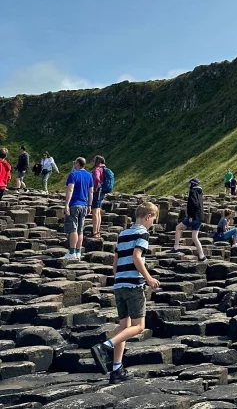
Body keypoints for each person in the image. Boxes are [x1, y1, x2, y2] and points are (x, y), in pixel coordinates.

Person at [90, 202, 160, 384]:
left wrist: (119, 278)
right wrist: (149, 278)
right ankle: (106, 346)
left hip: (119, 284)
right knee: (139, 326)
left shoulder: (123, 234)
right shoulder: (143, 234)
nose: (153, 223)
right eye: (154, 219)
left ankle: (116, 369)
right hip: (133, 285)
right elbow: (137, 257)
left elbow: (116, 261)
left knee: (124, 326)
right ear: (147, 217)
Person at [62, 157, 94, 260]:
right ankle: (78, 251)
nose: (74, 165)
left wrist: (66, 204)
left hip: (74, 204)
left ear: (78, 164)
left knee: (73, 229)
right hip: (84, 205)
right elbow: (91, 192)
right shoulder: (89, 176)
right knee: (80, 229)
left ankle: (72, 252)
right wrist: (89, 205)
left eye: (75, 163)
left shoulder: (73, 174)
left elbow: (70, 189)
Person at [172, 178, 207, 261]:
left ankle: (176, 247)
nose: (189, 185)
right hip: (200, 217)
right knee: (194, 237)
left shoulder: (192, 192)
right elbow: (199, 205)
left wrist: (191, 216)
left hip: (193, 216)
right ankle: (202, 256)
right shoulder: (199, 193)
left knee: (178, 227)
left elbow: (194, 204)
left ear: (192, 184)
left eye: (190, 183)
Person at [90, 156, 107, 238]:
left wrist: (94, 188)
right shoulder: (103, 168)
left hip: (97, 192)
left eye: (93, 160)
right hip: (102, 191)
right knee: (98, 212)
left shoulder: (97, 169)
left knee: (95, 212)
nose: (92, 161)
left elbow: (96, 179)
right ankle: (97, 231)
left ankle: (95, 232)